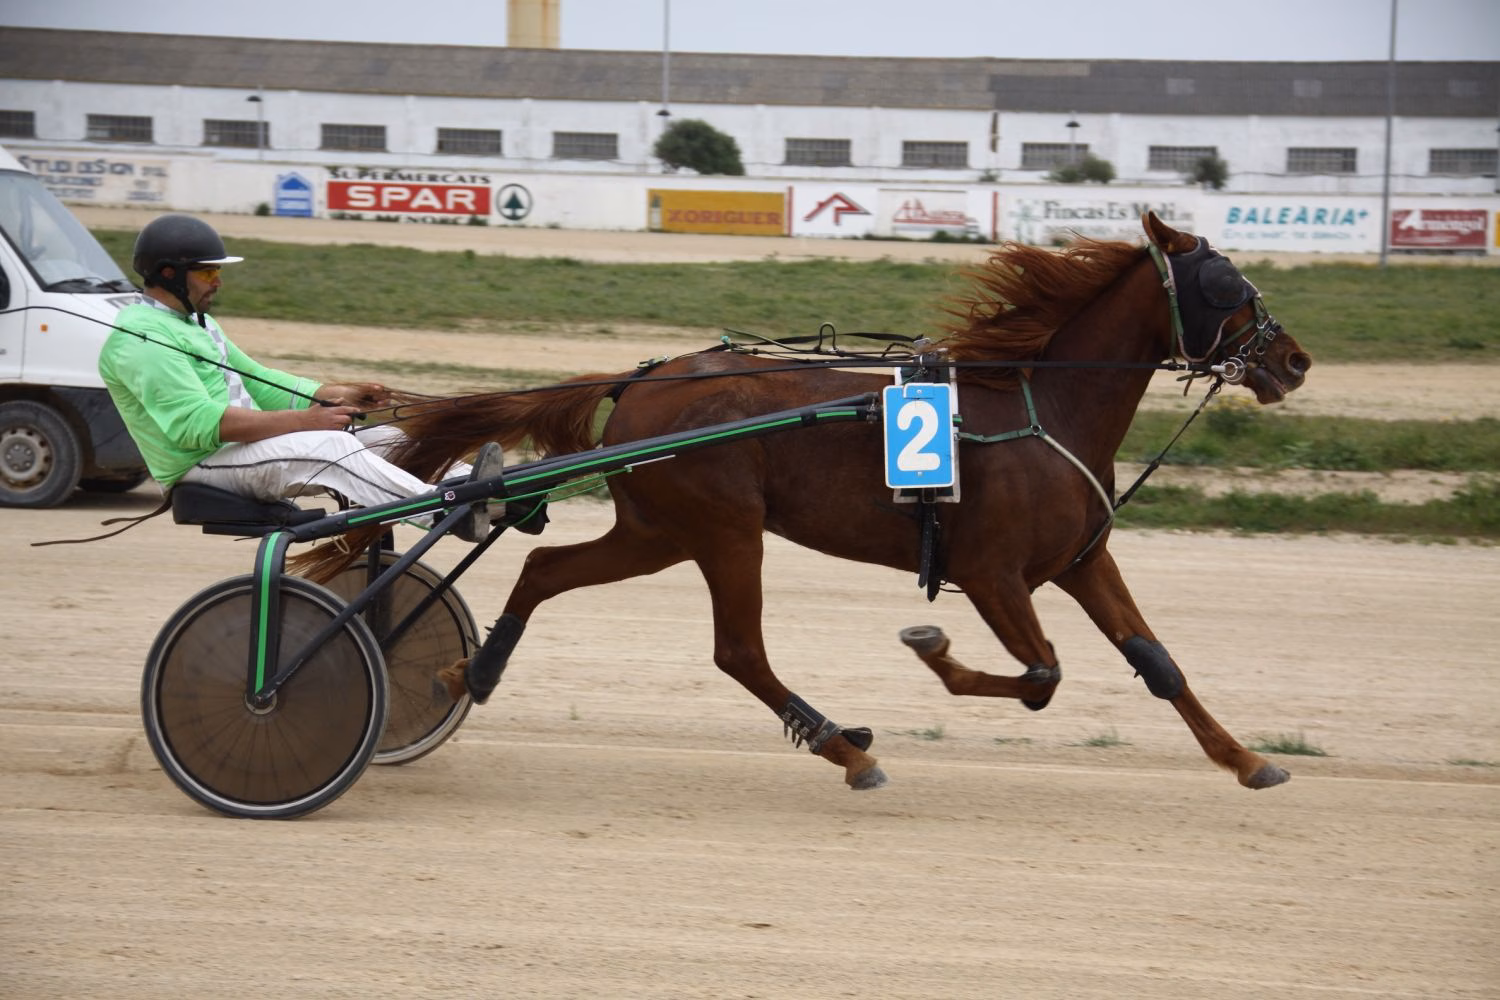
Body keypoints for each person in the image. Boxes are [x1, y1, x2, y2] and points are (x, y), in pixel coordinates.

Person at [98, 213, 508, 541]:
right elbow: (197, 425)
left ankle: (486, 493)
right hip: (202, 466)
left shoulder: (194, 324)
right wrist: (307, 421)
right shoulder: (142, 338)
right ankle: (442, 511)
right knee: (330, 446)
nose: (218, 282)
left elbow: (256, 380)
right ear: (170, 274)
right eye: (208, 273)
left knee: (387, 439)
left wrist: (332, 394)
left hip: (243, 452)